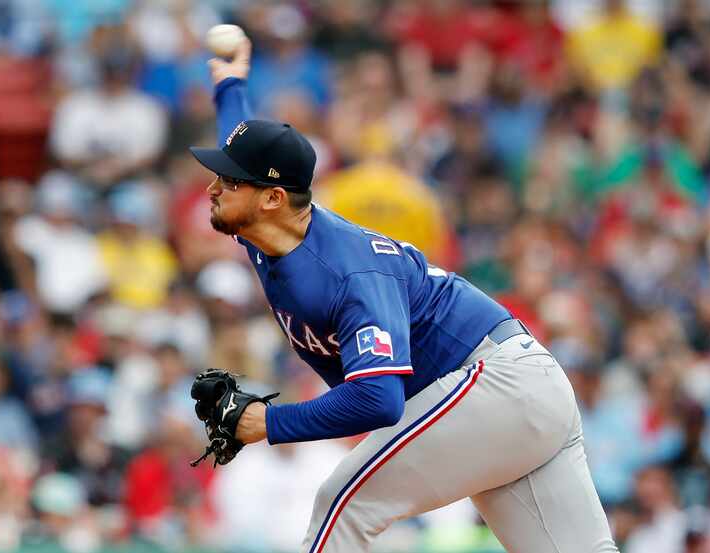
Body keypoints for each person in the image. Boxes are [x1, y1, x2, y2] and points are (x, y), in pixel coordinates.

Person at [188, 39, 618, 553]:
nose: (213, 188)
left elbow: (378, 399)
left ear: (272, 198)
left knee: (340, 505)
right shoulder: (265, 227)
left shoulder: (348, 272)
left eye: (227, 181)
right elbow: (244, 148)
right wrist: (230, 85)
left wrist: (270, 422)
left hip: (491, 385)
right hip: (517, 391)